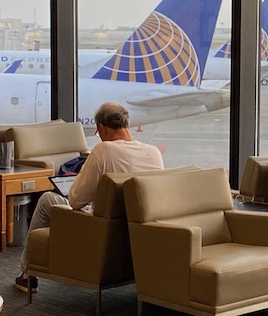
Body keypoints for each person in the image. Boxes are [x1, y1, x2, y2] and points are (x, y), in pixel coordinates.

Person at [14, 102, 164, 292]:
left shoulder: (104, 151)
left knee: (46, 200)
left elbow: (76, 200)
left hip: (100, 229)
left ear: (102, 128)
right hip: (135, 231)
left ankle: (27, 274)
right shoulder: (153, 152)